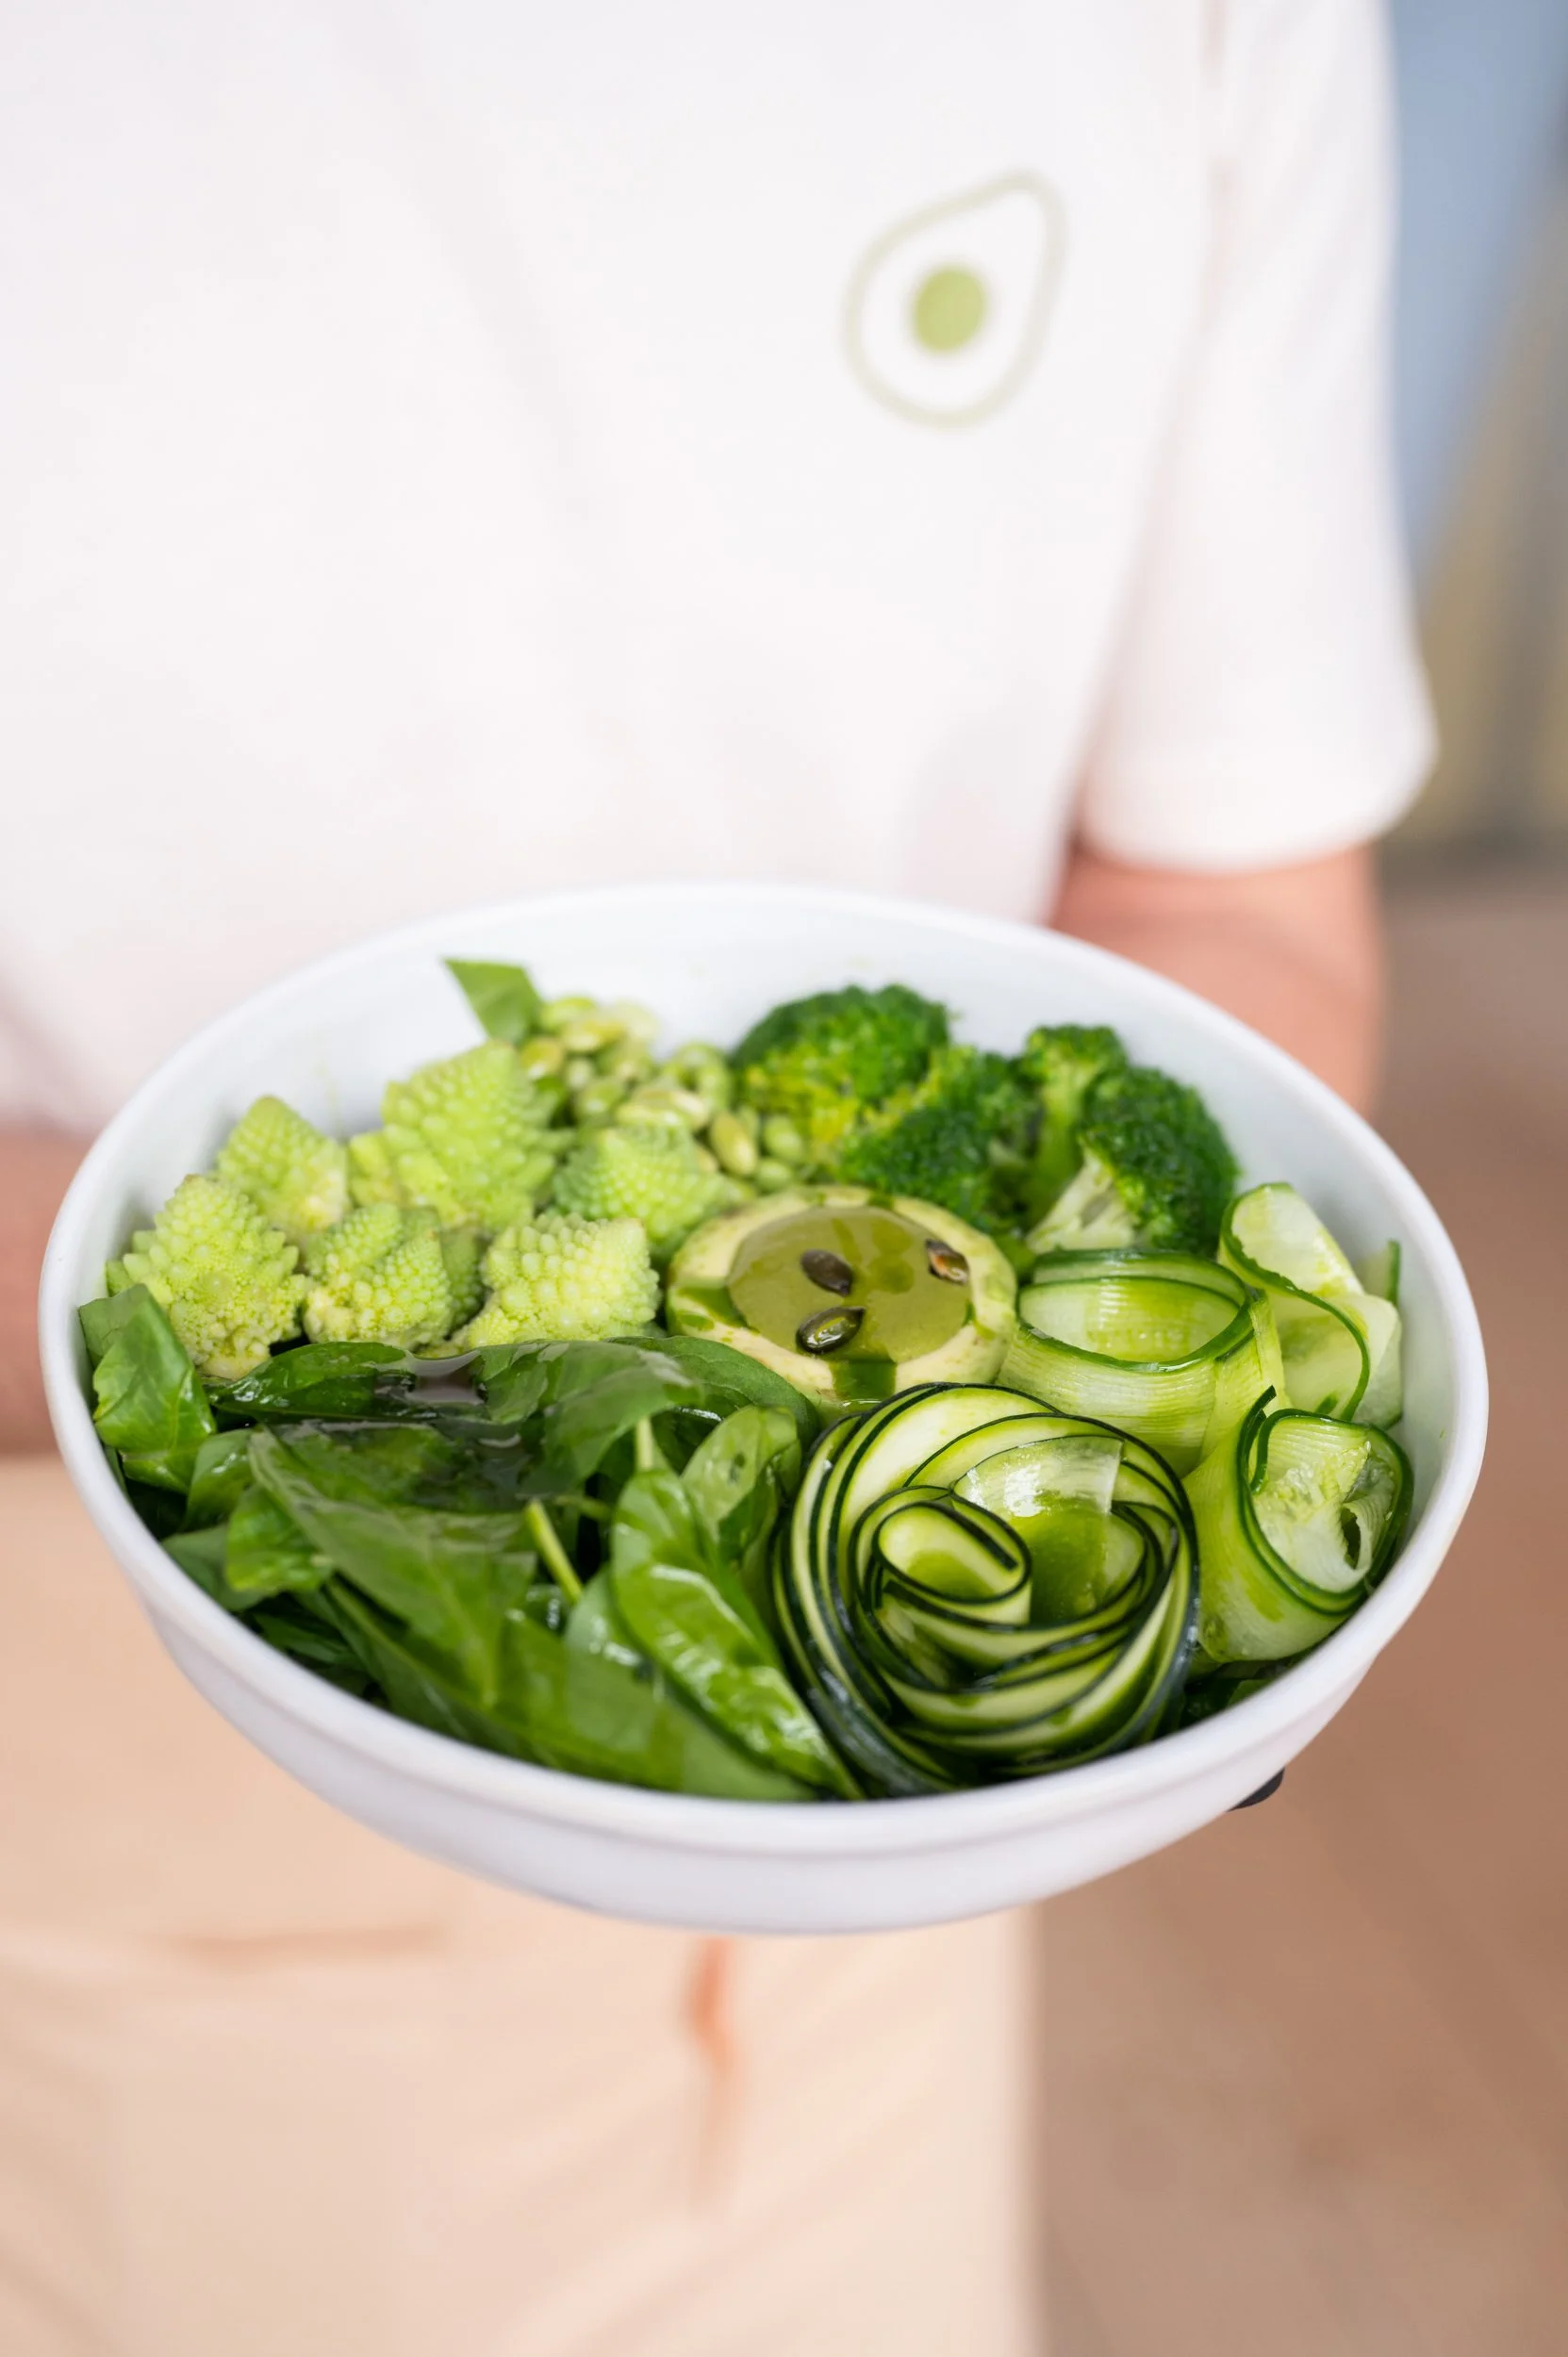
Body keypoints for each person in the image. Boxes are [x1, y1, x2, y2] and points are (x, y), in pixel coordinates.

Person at [0, 3, 1429, 2349]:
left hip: (895, 1805)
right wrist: (265, 1335)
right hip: (128, 1798)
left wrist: (1165, 1557)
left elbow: (1234, 907)